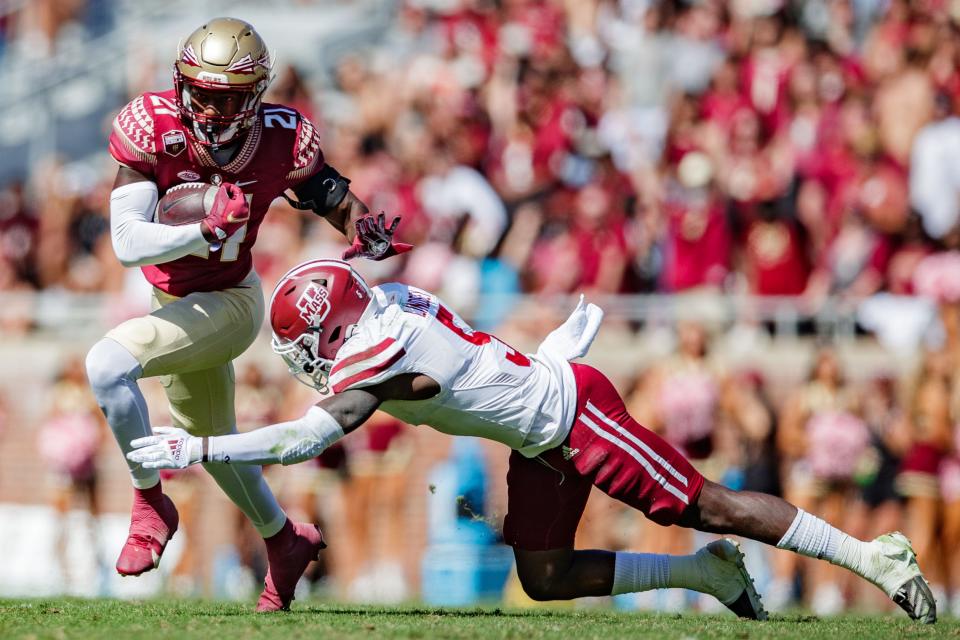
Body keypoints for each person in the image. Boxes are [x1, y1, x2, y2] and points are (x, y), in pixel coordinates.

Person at [129, 259, 936, 623]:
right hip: (536, 429)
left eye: (311, 349)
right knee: (545, 579)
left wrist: (200, 450)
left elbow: (310, 438)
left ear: (336, 329)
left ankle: (874, 558)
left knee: (709, 503)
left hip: (574, 416)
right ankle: (707, 576)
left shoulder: (378, 353)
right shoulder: (390, 306)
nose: (311, 366)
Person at [84, 18, 410, 612]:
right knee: (215, 447)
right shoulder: (152, 125)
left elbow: (331, 195)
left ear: (254, 96)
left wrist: (364, 228)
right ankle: (284, 540)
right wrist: (200, 229)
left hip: (232, 304)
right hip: (174, 302)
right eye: (201, 93)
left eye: (226, 97)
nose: (208, 109)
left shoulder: (281, 136)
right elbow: (127, 241)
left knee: (106, 365)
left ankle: (149, 501)